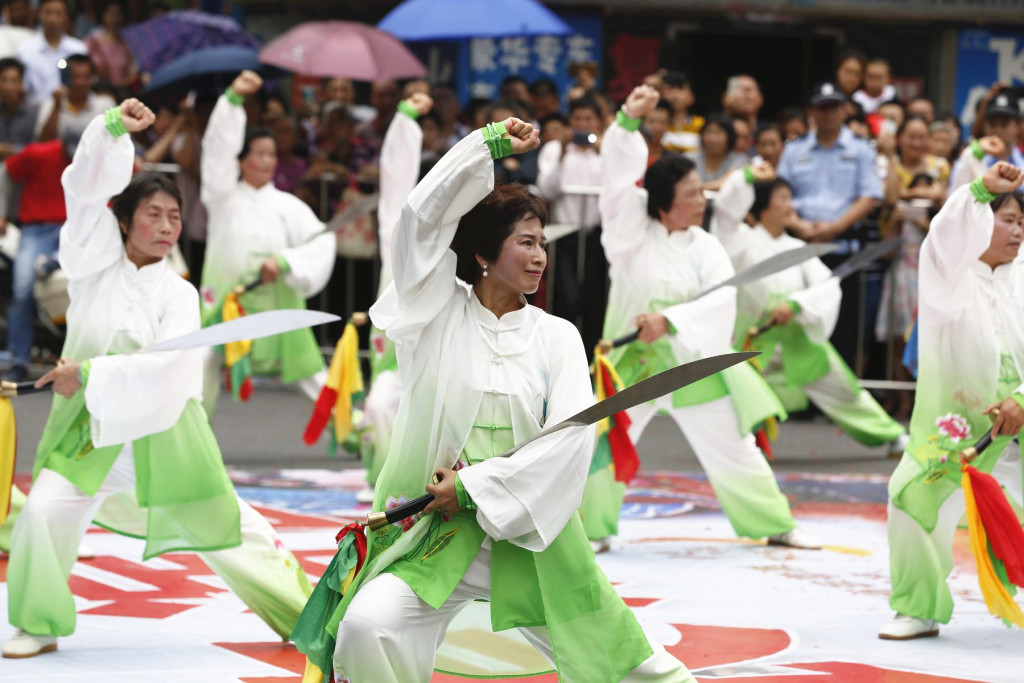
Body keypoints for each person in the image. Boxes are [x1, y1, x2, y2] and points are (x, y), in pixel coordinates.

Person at [321, 110, 694, 683]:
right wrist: (485, 146)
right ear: (482, 254)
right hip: (436, 531)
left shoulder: (557, 336)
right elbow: (417, 225)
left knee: (638, 667)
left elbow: (571, 439)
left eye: (543, 242)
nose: (541, 255)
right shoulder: (434, 315)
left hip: (529, 530)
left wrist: (472, 487)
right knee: (367, 626)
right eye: (526, 241)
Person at [2, 98, 312, 659]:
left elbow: (170, 371)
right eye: (153, 215)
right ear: (122, 222)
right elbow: (85, 191)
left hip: (163, 436)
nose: (167, 226)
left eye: (174, 217)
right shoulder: (92, 267)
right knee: (44, 513)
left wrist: (90, 374)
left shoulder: (180, 294)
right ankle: (38, 621)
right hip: (90, 435)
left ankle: (311, 617)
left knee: (234, 531)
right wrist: (114, 131)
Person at [595, 84, 819, 552]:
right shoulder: (630, 234)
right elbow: (616, 184)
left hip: (691, 363)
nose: (700, 202)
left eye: (701, 192)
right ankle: (592, 530)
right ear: (661, 204)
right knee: (604, 444)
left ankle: (773, 521)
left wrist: (670, 321)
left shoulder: (707, 245)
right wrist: (627, 124)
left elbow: (721, 302)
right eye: (690, 194)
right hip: (632, 363)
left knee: (735, 447)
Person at [880, 161, 1024, 640]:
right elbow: (945, 232)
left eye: (1023, 222)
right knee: (909, 497)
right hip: (961, 427)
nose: (1018, 230)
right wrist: (981, 191)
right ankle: (918, 607)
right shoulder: (949, 276)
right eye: (1008, 219)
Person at [711, 165, 907, 455]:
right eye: (783, 198)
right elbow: (725, 214)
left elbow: (828, 285)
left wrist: (796, 305)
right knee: (738, 395)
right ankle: (738, 448)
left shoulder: (796, 247)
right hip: (755, 339)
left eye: (791, 197)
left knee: (844, 391)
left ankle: (890, 436)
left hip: (796, 339)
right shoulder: (740, 241)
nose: (791, 205)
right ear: (763, 206)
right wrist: (748, 178)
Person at [199, 70, 335, 411]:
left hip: (278, 298)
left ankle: (355, 429)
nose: (265, 161)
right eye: (257, 153)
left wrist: (287, 262)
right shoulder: (222, 197)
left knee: (310, 371)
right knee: (202, 362)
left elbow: (321, 242)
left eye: (271, 154)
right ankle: (190, 434)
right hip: (229, 299)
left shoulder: (290, 207)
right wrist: (232, 101)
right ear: (241, 159)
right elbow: (216, 153)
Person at [354, 93, 431, 504]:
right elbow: (396, 181)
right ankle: (382, 476)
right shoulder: (397, 237)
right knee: (380, 406)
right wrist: (404, 121)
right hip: (398, 363)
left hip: (445, 365)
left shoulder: (462, 247)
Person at [777, 83, 883, 370]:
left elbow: (870, 195)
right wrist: (799, 226)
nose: (828, 113)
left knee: (843, 325)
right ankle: (804, 400)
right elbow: (780, 193)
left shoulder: (861, 149)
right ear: (812, 111)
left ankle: (836, 400)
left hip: (843, 246)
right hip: (802, 244)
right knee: (801, 321)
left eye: (834, 107)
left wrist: (836, 227)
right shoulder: (794, 150)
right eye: (822, 107)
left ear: (844, 110)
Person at [875, 117, 949, 414]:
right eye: (911, 136)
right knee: (897, 336)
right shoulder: (890, 165)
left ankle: (924, 400)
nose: (916, 143)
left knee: (928, 337)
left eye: (922, 137)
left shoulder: (940, 167)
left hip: (930, 272)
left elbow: (943, 200)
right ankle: (901, 399)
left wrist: (923, 215)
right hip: (901, 272)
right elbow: (890, 198)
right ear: (901, 138)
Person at [0, 117, 82, 383]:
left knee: (91, 286)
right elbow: (6, 172)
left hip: (76, 228)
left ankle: (82, 360)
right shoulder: (40, 153)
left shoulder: (93, 160)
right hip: (36, 230)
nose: (74, 156)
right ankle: (19, 359)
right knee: (23, 288)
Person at [537, 95, 607, 350]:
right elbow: (547, 189)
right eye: (577, 119)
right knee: (565, 296)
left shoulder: (606, 151)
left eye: (589, 119)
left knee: (594, 296)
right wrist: (564, 153)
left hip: (596, 234)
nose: (583, 124)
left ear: (599, 123)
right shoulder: (554, 149)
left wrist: (601, 152)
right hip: (563, 234)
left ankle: (590, 354)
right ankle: (560, 350)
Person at [949, 91, 1024, 194]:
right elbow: (955, 201)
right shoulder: (970, 159)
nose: (998, 129)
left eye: (1004, 123)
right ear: (984, 125)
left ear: (1017, 126)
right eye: (993, 123)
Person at [14, 0, 86, 101]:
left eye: (58, 13)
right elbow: (21, 89)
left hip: (72, 111)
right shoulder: (24, 50)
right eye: (47, 12)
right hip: (36, 112)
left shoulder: (79, 49)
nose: (52, 19)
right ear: (39, 14)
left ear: (66, 16)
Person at [35, 53, 114, 142]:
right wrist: (57, 106)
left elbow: (115, 139)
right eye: (75, 77)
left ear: (93, 78)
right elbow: (44, 142)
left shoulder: (106, 105)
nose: (80, 82)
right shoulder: (50, 105)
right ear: (65, 78)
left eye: (86, 77)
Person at [687, 113, 746, 191]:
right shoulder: (689, 159)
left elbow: (728, 183)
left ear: (729, 136)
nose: (712, 138)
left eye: (718, 133)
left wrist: (696, 189)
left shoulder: (741, 160)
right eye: (708, 132)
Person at [83, 0, 133, 89]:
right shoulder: (92, 41)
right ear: (103, 15)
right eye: (112, 13)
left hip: (120, 93)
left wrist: (119, 86)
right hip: (98, 92)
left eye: (119, 14)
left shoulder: (127, 44)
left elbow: (131, 72)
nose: (116, 18)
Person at [660, 70, 704, 154]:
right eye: (670, 89)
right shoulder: (658, 123)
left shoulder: (701, 124)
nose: (675, 94)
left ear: (691, 97)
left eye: (680, 89)